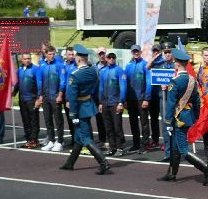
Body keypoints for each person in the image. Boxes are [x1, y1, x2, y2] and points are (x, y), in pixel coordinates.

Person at [157, 44, 208, 184]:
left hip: (178, 118)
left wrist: (168, 121)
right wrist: (195, 116)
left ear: (177, 63)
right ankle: (172, 173)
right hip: (187, 116)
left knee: (182, 149)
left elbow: (171, 104)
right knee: (176, 147)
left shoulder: (175, 82)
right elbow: (196, 100)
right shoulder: (191, 80)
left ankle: (206, 169)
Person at [59, 43, 113, 174]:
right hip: (88, 104)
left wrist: (72, 115)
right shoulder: (92, 71)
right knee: (79, 137)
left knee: (85, 137)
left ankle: (103, 162)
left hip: (79, 109)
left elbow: (71, 97)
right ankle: (70, 163)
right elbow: (94, 86)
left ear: (77, 58)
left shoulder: (75, 75)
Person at [98, 49, 127, 155]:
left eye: (113, 57)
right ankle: (112, 147)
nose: (111, 59)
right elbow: (100, 88)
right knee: (108, 127)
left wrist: (121, 102)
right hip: (105, 103)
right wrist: (100, 102)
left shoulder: (120, 70)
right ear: (106, 59)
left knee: (117, 126)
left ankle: (120, 148)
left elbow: (123, 87)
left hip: (115, 103)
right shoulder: (103, 71)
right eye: (109, 57)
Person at [124, 44, 149, 151]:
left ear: (140, 52)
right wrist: (124, 99)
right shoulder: (128, 66)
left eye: (137, 51)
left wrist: (147, 98)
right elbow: (124, 84)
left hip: (141, 98)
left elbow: (148, 82)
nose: (136, 53)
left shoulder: (145, 65)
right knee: (133, 122)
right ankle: (136, 144)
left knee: (144, 123)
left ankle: (145, 145)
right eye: (134, 51)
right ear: (131, 52)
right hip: (130, 99)